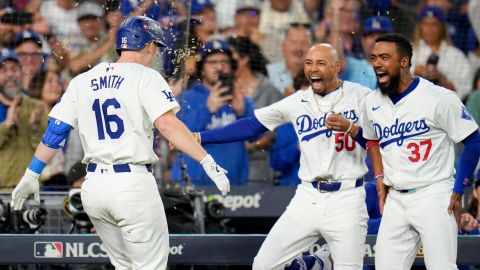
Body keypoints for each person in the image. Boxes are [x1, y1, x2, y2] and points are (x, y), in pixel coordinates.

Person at [10, 16, 230, 269]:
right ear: (147, 45)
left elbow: (56, 131)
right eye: (156, 46)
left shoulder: (82, 80)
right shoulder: (146, 76)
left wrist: (31, 173)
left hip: (93, 188)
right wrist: (206, 160)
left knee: (124, 266)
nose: (156, 52)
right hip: (131, 185)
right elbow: (168, 125)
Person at [194, 43, 383, 269]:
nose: (313, 69)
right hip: (307, 197)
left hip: (348, 198)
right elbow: (252, 126)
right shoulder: (298, 101)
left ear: (337, 66)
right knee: (264, 265)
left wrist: (352, 129)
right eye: (309, 63)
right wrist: (200, 137)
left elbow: (379, 143)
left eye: (321, 63)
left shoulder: (362, 97)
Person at [327, 33, 480, 270]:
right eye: (374, 57)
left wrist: (459, 189)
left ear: (404, 62)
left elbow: (473, 141)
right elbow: (372, 141)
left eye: (385, 57)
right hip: (395, 199)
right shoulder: (372, 102)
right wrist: (377, 174)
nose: (377, 63)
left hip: (434, 194)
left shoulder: (438, 97)